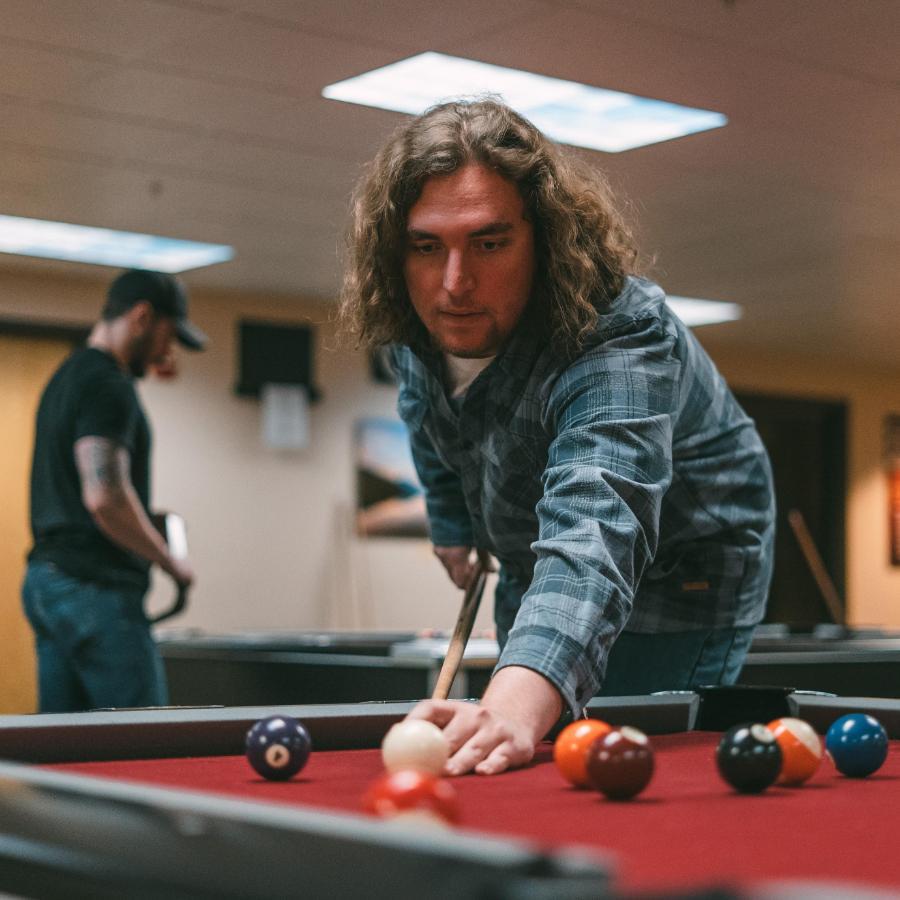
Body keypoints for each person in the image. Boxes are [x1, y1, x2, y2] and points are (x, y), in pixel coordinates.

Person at [340, 98, 775, 776]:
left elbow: (597, 522)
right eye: (427, 246)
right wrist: (454, 524)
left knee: (609, 758)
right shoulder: (414, 326)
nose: (453, 285)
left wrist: (515, 703)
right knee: (525, 747)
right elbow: (428, 419)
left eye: (489, 243)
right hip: (531, 554)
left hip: (685, 570)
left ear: (543, 239)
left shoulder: (618, 335)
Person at [22, 269, 205, 713]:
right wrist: (168, 559)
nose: (168, 351)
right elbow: (105, 497)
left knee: (66, 750)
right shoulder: (109, 384)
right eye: (168, 335)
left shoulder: (65, 376)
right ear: (142, 316)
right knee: (144, 743)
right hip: (95, 590)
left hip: (47, 582)